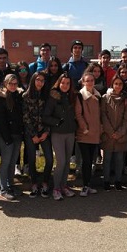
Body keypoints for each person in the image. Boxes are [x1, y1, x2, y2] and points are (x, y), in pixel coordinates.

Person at [43, 73, 77, 201]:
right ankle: (56, 188)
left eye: (68, 83)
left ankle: (64, 185)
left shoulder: (73, 96)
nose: (65, 85)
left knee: (67, 161)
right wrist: (57, 122)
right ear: (59, 83)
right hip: (58, 133)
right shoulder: (53, 97)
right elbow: (46, 116)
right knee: (61, 161)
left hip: (70, 133)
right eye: (63, 83)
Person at [22, 72, 54, 198]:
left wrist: (46, 132)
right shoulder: (25, 96)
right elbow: (25, 117)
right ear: (33, 80)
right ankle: (34, 184)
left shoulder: (47, 96)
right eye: (38, 80)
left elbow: (49, 115)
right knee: (31, 160)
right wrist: (33, 135)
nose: (40, 82)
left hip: (44, 132)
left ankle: (45, 183)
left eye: (42, 80)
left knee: (50, 159)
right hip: (31, 133)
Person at [0, 74, 24, 201]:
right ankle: (3, 189)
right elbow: (0, 121)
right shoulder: (1, 98)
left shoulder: (18, 96)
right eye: (10, 83)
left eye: (15, 84)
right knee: (5, 162)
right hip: (6, 135)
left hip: (17, 134)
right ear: (5, 84)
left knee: (12, 162)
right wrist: (7, 138)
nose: (13, 86)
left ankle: (10, 185)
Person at [75, 72, 102, 197]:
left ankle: (89, 184)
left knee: (91, 161)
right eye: (88, 80)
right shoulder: (80, 96)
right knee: (85, 161)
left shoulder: (98, 96)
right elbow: (78, 114)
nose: (90, 82)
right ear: (83, 82)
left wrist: (100, 128)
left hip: (95, 134)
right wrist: (85, 128)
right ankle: (84, 186)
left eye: (92, 80)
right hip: (84, 134)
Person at [100, 75, 127, 191]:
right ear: (112, 85)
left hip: (121, 135)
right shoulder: (105, 98)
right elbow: (103, 115)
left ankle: (118, 181)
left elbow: (126, 118)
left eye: (120, 84)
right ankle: (106, 181)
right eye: (116, 84)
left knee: (119, 160)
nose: (118, 86)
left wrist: (120, 132)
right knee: (106, 160)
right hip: (108, 134)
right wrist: (111, 131)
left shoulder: (125, 100)